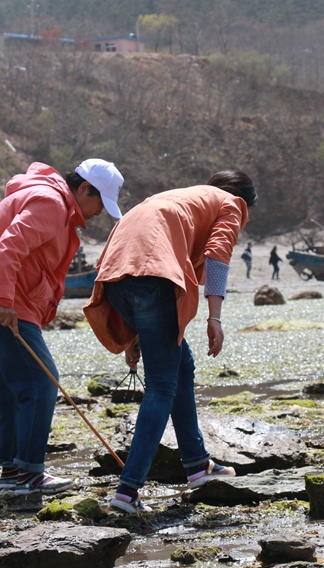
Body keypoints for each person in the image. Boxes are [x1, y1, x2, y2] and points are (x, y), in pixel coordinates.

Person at [83, 171, 258, 514]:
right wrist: (215, 317)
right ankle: (128, 491)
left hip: (115, 277)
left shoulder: (180, 196)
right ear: (243, 199)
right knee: (162, 385)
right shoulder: (231, 204)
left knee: (182, 365)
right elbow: (217, 255)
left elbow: (136, 249)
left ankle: (196, 466)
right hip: (152, 275)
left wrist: (134, 331)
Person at [0, 159, 123, 495]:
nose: (99, 213)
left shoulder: (50, 200)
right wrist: (3, 300)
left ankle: (13, 475)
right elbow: (8, 248)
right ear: (85, 189)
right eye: (100, 202)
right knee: (42, 383)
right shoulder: (51, 203)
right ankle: (28, 474)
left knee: (13, 390)